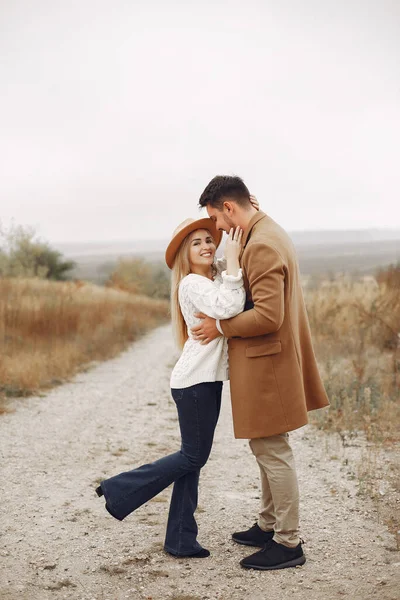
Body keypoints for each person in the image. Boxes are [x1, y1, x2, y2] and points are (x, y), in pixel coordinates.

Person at [191, 175, 330, 570]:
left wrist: (218, 327)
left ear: (230, 209)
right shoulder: (262, 230)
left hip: (268, 363)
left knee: (272, 450)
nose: (216, 228)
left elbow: (269, 315)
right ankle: (269, 524)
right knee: (265, 447)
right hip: (268, 361)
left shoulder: (263, 244)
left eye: (217, 219)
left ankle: (288, 544)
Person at [95, 216, 247, 558]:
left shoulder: (211, 277)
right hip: (195, 383)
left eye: (209, 239)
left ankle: (180, 538)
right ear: (185, 255)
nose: (207, 246)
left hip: (201, 383)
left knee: (192, 461)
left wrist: (234, 247)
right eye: (196, 243)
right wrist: (233, 266)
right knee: (193, 456)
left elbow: (230, 281)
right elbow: (231, 304)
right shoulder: (194, 284)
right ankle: (119, 489)